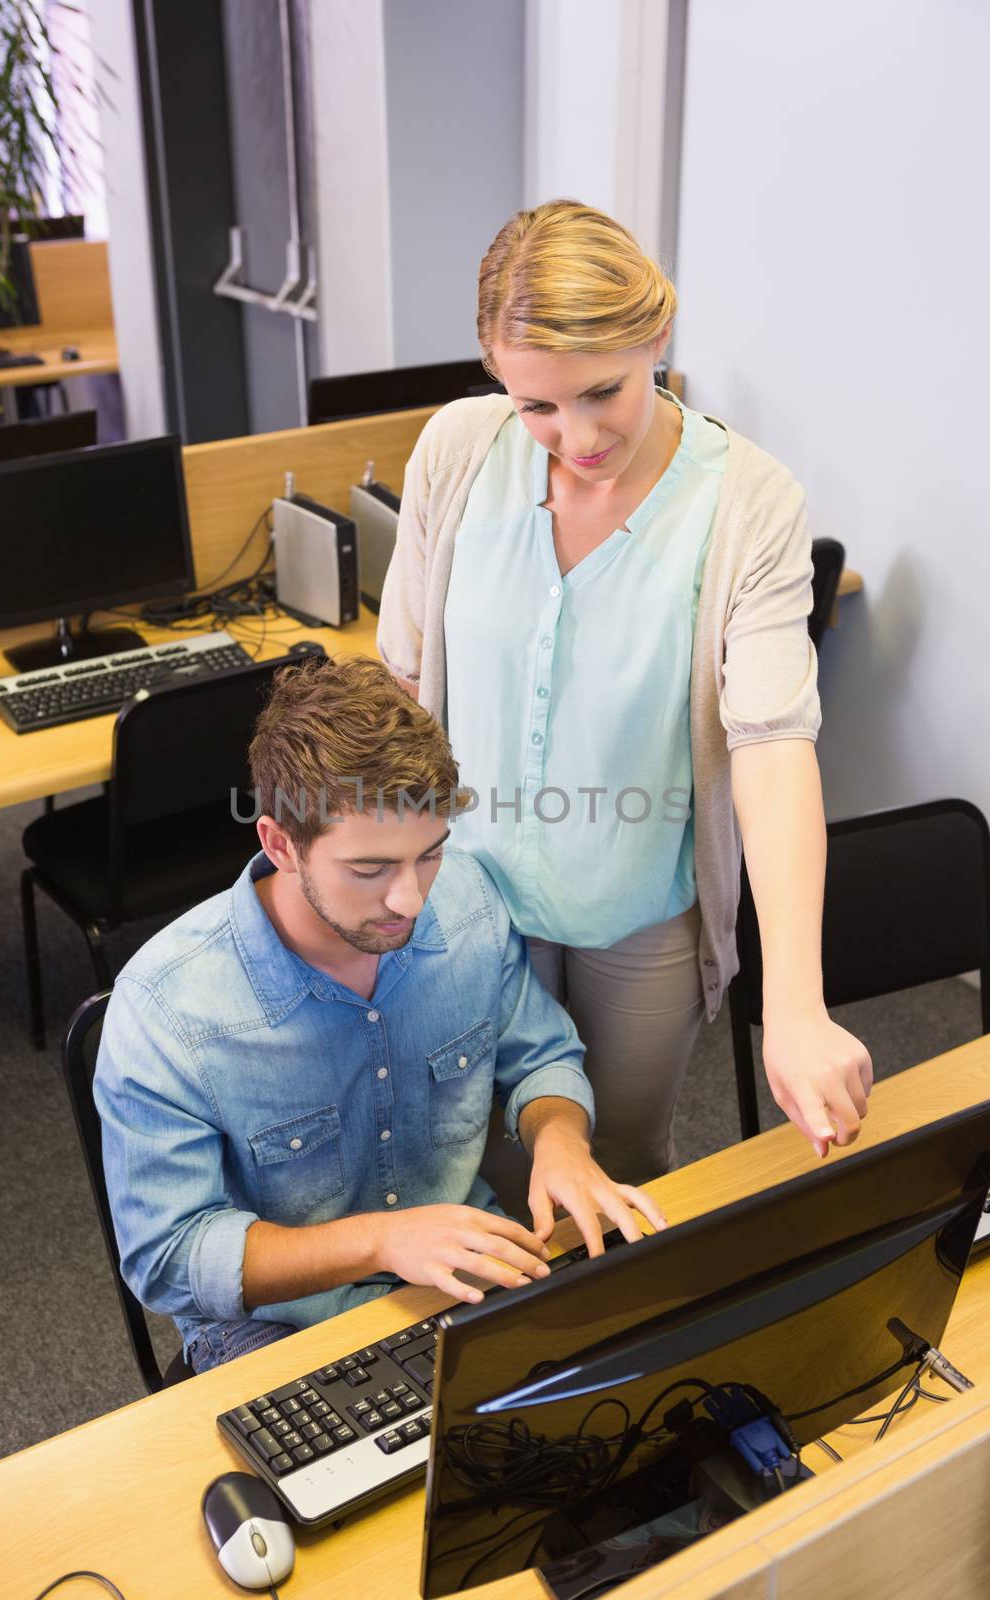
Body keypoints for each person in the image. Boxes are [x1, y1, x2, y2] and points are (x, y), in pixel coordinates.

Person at [377, 199, 873, 1205]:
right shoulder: (458, 450)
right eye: (536, 406)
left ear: (657, 334)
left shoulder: (747, 501)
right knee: (469, 1165)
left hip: (640, 912)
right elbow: (402, 680)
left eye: (601, 391)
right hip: (464, 899)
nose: (575, 436)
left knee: (621, 1167)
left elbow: (773, 746)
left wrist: (794, 1004)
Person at [94, 655, 666, 1374]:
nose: (411, 900)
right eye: (369, 870)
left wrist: (560, 1141)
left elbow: (540, 1058)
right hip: (276, 1326)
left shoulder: (467, 902)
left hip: (459, 1272)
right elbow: (169, 1257)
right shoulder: (166, 1009)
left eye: (428, 855)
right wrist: (382, 1241)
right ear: (279, 844)